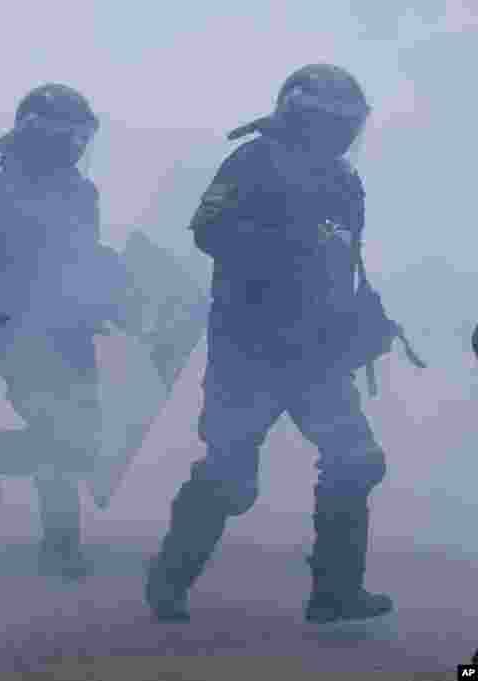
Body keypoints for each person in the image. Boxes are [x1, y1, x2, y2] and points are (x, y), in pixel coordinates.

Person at [144, 64, 393, 624]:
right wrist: (286, 245)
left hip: (318, 357)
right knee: (230, 476)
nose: (339, 135)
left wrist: (360, 319)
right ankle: (169, 579)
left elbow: (341, 263)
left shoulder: (344, 181)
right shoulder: (253, 160)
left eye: (346, 125)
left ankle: (335, 592)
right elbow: (208, 228)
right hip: (249, 350)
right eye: (329, 123)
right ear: (301, 117)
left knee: (356, 461)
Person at [0, 83, 130, 580]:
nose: (76, 147)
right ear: (38, 136)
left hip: (71, 330)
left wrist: (116, 291)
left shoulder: (83, 193)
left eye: (81, 137)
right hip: (13, 333)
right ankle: (61, 546)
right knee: (59, 432)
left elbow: (81, 257)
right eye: (68, 136)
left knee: (78, 439)